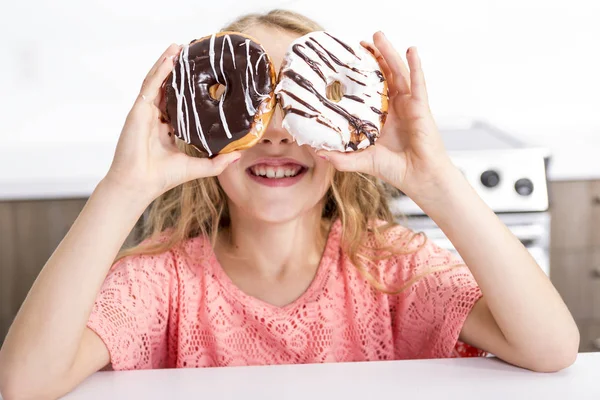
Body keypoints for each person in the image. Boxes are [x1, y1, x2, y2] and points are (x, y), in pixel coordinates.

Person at [0, 9, 579, 400]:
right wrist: (123, 186)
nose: (276, 133)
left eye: (301, 101)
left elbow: (550, 347)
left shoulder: (388, 270)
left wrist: (436, 180)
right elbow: (23, 381)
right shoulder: (165, 282)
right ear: (205, 130)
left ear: (347, 127)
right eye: (252, 103)